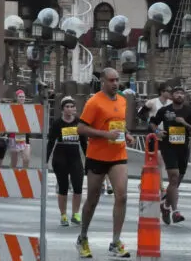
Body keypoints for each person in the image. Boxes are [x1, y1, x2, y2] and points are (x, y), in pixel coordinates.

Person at [76, 67, 134, 260]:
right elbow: (81, 128)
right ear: (103, 81)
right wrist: (104, 135)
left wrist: (126, 134)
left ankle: (115, 241)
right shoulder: (94, 102)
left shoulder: (123, 101)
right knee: (92, 199)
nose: (115, 83)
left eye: (117, 79)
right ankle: (83, 237)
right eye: (111, 80)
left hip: (118, 154)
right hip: (97, 155)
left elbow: (118, 123)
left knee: (122, 196)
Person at [150, 85, 191, 225]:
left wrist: (185, 124)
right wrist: (157, 132)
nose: (179, 95)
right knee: (174, 177)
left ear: (184, 96)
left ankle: (165, 206)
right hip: (168, 147)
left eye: (182, 93)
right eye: (176, 93)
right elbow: (152, 123)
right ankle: (175, 211)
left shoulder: (189, 111)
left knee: (176, 182)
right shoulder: (165, 110)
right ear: (172, 96)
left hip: (183, 148)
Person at [47, 96, 86, 226]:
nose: (70, 109)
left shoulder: (79, 123)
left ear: (75, 109)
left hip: (75, 157)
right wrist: (45, 160)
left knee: (78, 187)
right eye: (67, 107)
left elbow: (84, 143)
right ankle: (63, 215)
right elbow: (51, 142)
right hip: (60, 157)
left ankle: (76, 213)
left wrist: (89, 159)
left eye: (72, 106)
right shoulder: (57, 123)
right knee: (63, 188)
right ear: (62, 109)